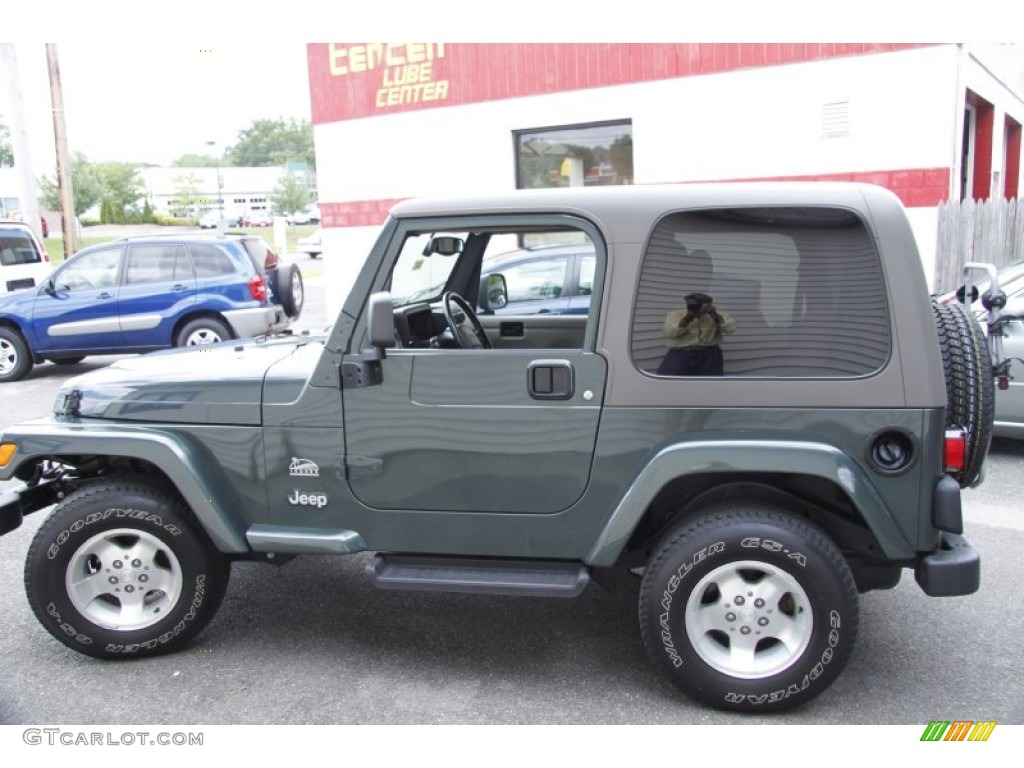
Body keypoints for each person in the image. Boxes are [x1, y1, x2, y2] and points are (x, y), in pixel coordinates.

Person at [656, 291, 736, 376]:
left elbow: (730, 330)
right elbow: (669, 333)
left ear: (710, 304)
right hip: (681, 354)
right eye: (690, 304)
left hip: (710, 354)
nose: (693, 307)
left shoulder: (720, 315)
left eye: (697, 305)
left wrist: (715, 316)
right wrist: (687, 318)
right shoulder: (676, 314)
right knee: (670, 383)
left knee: (709, 385)